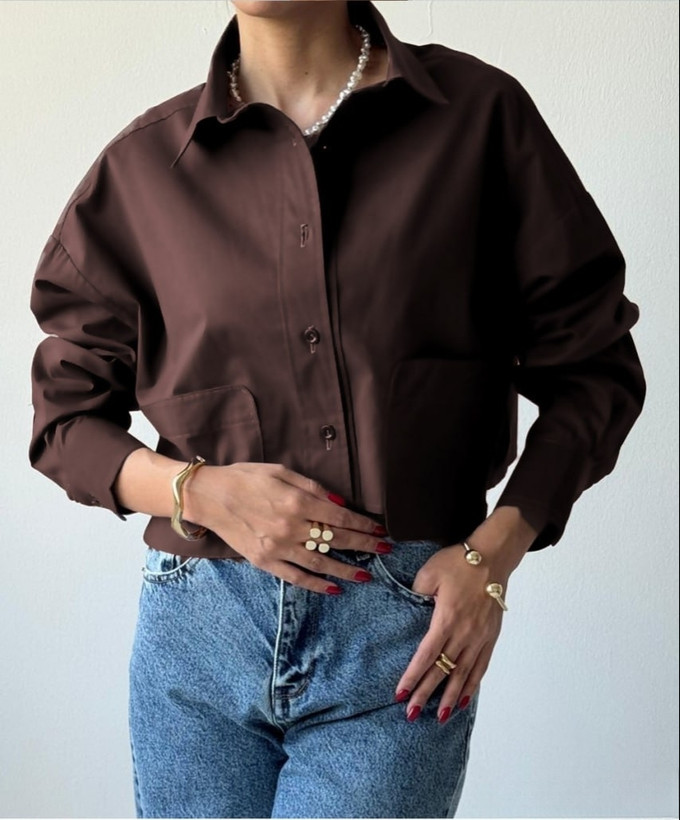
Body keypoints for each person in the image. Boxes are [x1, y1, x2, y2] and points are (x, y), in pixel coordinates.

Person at [27, 1, 646, 817]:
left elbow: (595, 370)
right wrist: (200, 492)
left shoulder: (478, 120)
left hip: (400, 640)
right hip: (199, 632)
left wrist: (494, 557)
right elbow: (63, 420)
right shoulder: (143, 171)